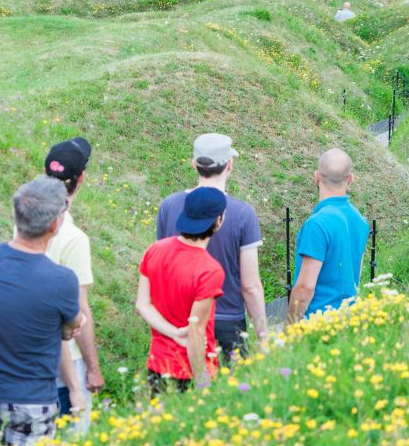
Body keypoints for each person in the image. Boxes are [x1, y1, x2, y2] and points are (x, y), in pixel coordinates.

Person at [0, 176, 86, 446]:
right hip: (32, 402)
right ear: (55, 225)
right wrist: (73, 323)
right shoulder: (62, 280)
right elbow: (70, 328)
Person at [156, 133, 268, 362]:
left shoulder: (168, 206)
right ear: (230, 165)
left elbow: (162, 263)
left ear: (194, 164)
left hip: (177, 321)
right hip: (226, 322)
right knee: (228, 394)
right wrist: (263, 335)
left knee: (179, 392)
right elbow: (250, 286)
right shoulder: (243, 214)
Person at [138, 186, 227, 393]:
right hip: (190, 370)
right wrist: (203, 382)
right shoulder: (210, 270)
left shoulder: (155, 249)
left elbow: (142, 304)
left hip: (157, 365)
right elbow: (195, 331)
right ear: (219, 221)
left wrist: (173, 332)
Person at [42, 137, 103, 434]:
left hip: (34, 351)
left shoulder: (26, 219)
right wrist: (92, 367)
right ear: (81, 179)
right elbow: (79, 307)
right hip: (67, 358)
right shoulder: (74, 238)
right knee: (73, 443)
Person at [286, 148, 369, 323]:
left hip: (317, 325)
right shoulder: (360, 221)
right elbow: (355, 277)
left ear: (316, 176)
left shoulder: (317, 225)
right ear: (351, 178)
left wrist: (289, 329)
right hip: (348, 321)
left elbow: (305, 288)